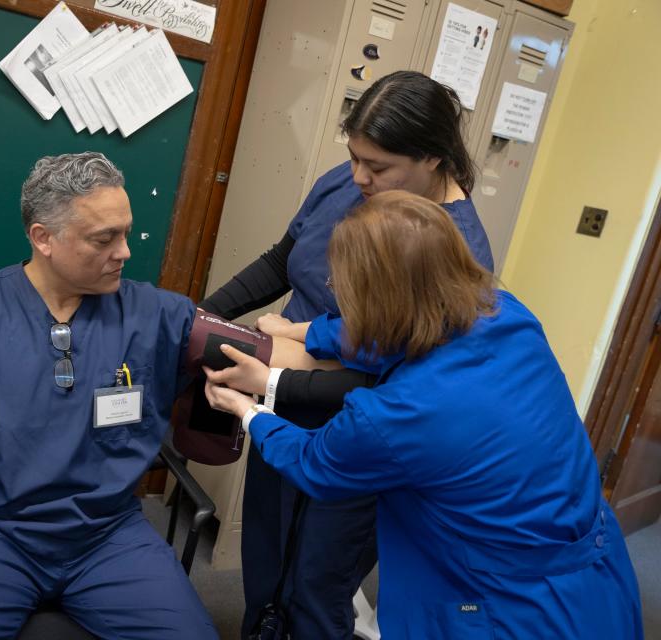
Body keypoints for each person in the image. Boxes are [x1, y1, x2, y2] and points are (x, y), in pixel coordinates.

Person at [204, 191, 644, 639]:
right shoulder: (508, 315)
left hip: (512, 611)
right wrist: (307, 332)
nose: (337, 295)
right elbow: (405, 329)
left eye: (340, 289)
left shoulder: (397, 414)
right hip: (595, 572)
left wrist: (249, 411)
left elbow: (314, 462)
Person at [198, 70, 494, 638]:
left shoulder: (455, 254)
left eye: (377, 167)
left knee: (317, 582)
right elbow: (284, 261)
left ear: (433, 159)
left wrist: (280, 368)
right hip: (284, 385)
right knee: (267, 552)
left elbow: (387, 377)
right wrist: (203, 316)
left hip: (365, 426)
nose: (359, 176)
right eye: (354, 156)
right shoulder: (352, 180)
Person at [0, 152, 219, 640]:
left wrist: (332, 339)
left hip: (108, 534)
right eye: (105, 239)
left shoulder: (157, 313)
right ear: (44, 238)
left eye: (126, 232)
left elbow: (264, 352)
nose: (124, 251)